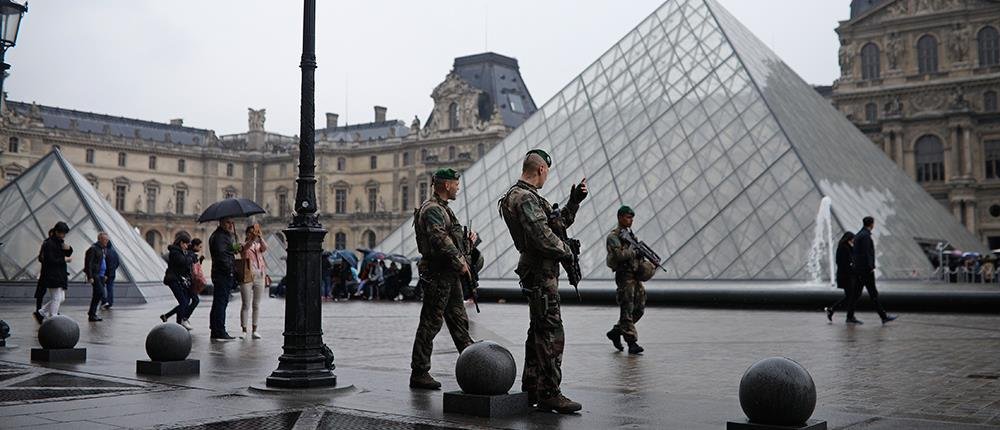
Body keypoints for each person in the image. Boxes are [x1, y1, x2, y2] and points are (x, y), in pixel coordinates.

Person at [498, 150, 587, 414]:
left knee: (537, 329)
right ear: (541, 170)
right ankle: (550, 392)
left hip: (538, 272)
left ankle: (533, 386)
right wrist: (567, 252)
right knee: (551, 330)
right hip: (540, 272)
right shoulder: (525, 198)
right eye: (547, 171)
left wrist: (573, 202)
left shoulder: (526, 197)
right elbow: (543, 238)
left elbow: (556, 225)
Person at [409, 168, 476, 390]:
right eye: (456, 184)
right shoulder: (433, 209)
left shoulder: (443, 209)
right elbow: (439, 239)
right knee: (430, 322)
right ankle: (419, 371)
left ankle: (475, 363)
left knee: (459, 320)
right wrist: (461, 262)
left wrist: (468, 243)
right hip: (438, 274)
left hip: (448, 273)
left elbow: (449, 239)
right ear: (447, 185)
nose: (458, 187)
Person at [605, 206, 647, 355]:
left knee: (639, 309)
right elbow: (618, 256)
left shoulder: (630, 234)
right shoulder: (614, 236)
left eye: (632, 218)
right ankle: (632, 342)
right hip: (624, 276)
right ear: (620, 217)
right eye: (628, 217)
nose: (631, 221)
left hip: (635, 275)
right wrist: (634, 251)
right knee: (627, 308)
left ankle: (616, 332)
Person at [852, 216, 898, 325]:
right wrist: (871, 267)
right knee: (873, 294)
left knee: (856, 294)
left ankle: (848, 315)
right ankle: (883, 317)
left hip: (860, 270)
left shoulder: (859, 234)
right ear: (871, 224)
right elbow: (867, 253)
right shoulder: (865, 236)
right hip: (866, 270)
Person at [36, 222, 73, 322]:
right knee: (56, 298)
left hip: (59, 274)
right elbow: (50, 260)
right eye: (62, 233)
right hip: (52, 275)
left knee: (61, 298)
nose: (64, 235)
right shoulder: (49, 244)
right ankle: (53, 317)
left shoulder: (59, 242)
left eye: (65, 233)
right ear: (56, 232)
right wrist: (64, 260)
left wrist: (69, 248)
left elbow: (67, 252)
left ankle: (42, 312)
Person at [209, 217, 239, 340]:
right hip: (223, 274)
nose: (230, 225)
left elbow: (227, 251)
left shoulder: (219, 235)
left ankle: (215, 329)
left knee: (218, 302)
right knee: (221, 303)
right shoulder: (221, 237)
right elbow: (222, 256)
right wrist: (230, 271)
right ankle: (220, 330)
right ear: (220, 222)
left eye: (232, 223)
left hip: (219, 273)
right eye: (228, 222)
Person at [162, 238, 204, 326]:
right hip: (180, 280)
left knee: (185, 302)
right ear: (181, 243)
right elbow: (184, 264)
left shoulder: (184, 253)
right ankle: (182, 320)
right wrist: (192, 257)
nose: (187, 246)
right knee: (186, 302)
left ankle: (176, 319)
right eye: (186, 244)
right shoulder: (180, 253)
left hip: (184, 280)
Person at [825, 232, 861, 323]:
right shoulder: (843, 248)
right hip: (846, 276)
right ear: (849, 238)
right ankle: (849, 316)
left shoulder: (848, 247)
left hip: (848, 275)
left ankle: (833, 310)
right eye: (853, 238)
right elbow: (842, 262)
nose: (854, 240)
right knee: (851, 296)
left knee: (850, 296)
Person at [239, 224, 268, 339]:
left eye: (254, 232)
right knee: (246, 303)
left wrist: (260, 238)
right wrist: (251, 239)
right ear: (247, 234)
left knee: (256, 304)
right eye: (251, 232)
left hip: (259, 275)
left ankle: (255, 329)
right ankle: (244, 329)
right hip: (247, 276)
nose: (253, 234)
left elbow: (265, 248)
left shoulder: (258, 245)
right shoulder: (242, 245)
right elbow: (245, 248)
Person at [83, 232, 111, 322]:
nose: (107, 241)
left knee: (97, 294)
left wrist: (105, 274)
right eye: (105, 239)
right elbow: (89, 263)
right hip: (96, 275)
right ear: (99, 239)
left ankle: (92, 314)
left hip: (101, 276)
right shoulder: (93, 249)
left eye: (107, 240)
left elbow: (103, 262)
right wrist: (90, 276)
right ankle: (92, 313)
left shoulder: (103, 249)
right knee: (100, 293)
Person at [100, 238, 120, 310]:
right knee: (110, 288)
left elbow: (104, 264)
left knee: (101, 288)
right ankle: (110, 302)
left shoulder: (105, 252)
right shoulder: (114, 252)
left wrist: (105, 274)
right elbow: (117, 263)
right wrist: (113, 269)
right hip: (112, 273)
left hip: (105, 273)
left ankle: (104, 302)